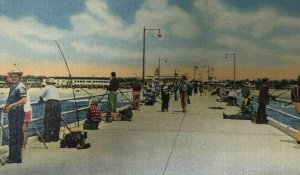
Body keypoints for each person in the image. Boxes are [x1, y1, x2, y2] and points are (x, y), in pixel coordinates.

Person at [3, 68, 27, 163]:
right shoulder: (14, 86)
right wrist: (6, 106)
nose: (13, 78)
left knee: (16, 135)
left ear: (20, 77)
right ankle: (13, 156)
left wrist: (11, 106)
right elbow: (12, 99)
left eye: (16, 76)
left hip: (17, 113)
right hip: (13, 112)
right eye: (12, 76)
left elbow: (24, 100)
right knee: (13, 134)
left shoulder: (20, 86)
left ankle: (16, 157)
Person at [39, 78, 61, 142]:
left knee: (48, 121)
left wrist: (41, 100)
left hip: (51, 104)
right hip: (58, 104)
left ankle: (47, 138)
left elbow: (41, 95)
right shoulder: (55, 88)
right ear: (53, 83)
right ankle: (55, 138)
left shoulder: (47, 87)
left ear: (47, 83)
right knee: (56, 121)